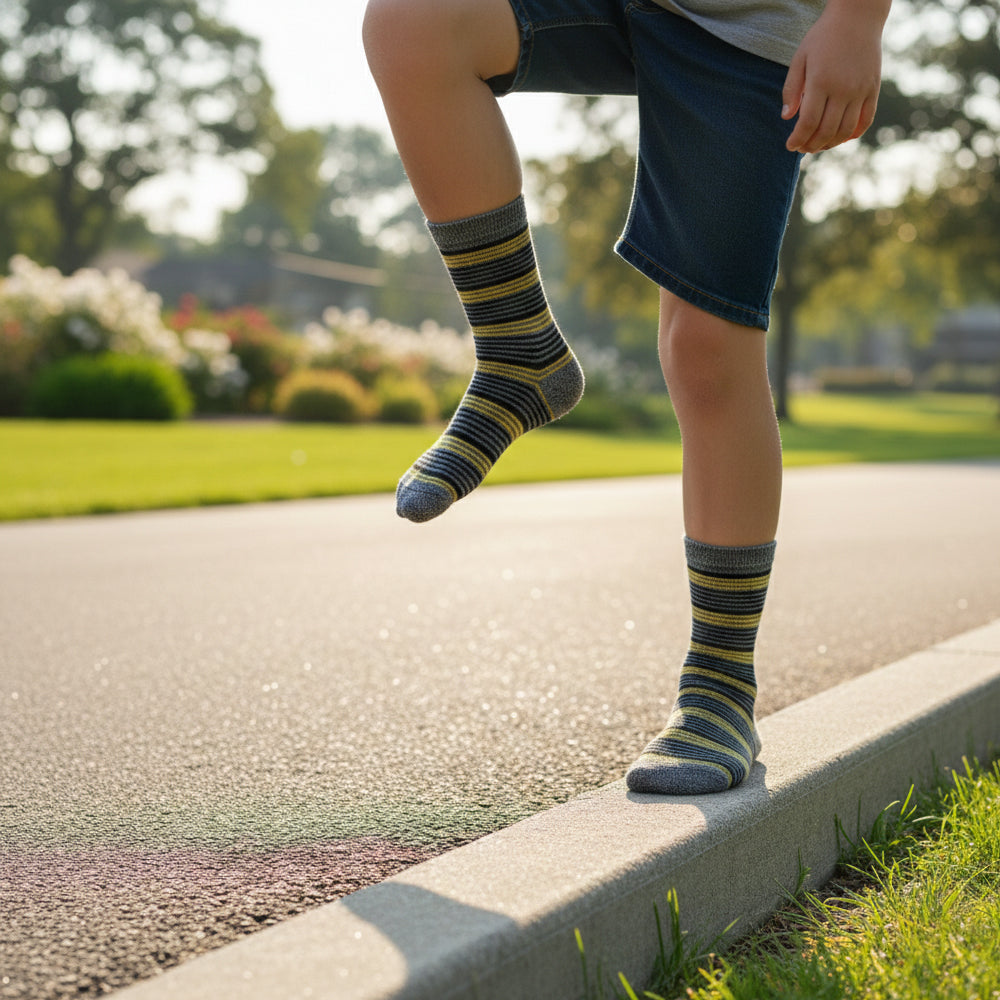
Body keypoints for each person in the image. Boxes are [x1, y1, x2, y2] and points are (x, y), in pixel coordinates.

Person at [362, 0, 891, 794]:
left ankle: (719, 688)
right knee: (411, 22)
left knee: (704, 350)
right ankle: (516, 351)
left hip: (747, 24)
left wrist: (858, 20)